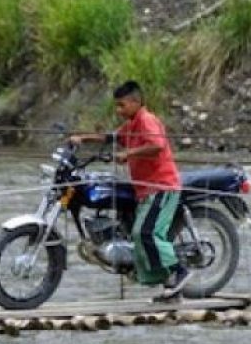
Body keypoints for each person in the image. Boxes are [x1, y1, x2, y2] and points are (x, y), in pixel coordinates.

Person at [71, 80, 192, 299]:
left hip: (161, 187)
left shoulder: (146, 120)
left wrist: (129, 154)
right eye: (116, 106)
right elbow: (112, 138)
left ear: (136, 102)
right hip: (145, 190)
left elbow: (157, 146)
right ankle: (168, 285)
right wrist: (82, 138)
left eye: (122, 105)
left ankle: (179, 271)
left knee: (144, 233)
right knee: (137, 233)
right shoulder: (132, 124)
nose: (118, 111)